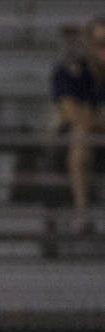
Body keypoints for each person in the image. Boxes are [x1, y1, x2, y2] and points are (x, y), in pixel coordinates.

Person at [51, 15, 105, 234]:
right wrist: (96, 120)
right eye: (101, 45)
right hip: (70, 148)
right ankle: (82, 214)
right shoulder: (67, 72)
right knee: (81, 135)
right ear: (89, 45)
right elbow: (72, 115)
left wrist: (88, 118)